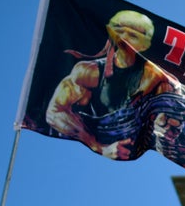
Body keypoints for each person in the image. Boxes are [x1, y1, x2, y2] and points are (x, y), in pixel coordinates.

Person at [45, 10, 175, 160]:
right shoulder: (88, 72)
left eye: (133, 35)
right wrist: (98, 146)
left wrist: (162, 124)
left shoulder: (156, 78)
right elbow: (55, 111)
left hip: (129, 144)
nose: (124, 38)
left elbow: (167, 121)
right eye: (119, 31)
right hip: (88, 142)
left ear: (144, 45)